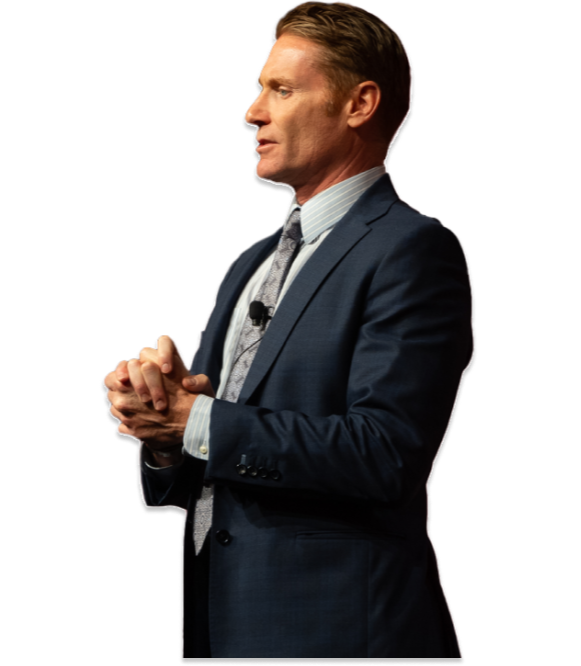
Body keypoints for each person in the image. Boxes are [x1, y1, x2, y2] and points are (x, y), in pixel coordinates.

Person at [103, 1, 474, 659]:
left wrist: (198, 421)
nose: (252, 112)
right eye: (259, 90)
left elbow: (385, 453)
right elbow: (206, 463)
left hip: (341, 634)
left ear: (359, 104)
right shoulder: (248, 263)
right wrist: (162, 426)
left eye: (280, 89)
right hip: (222, 626)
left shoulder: (412, 251)